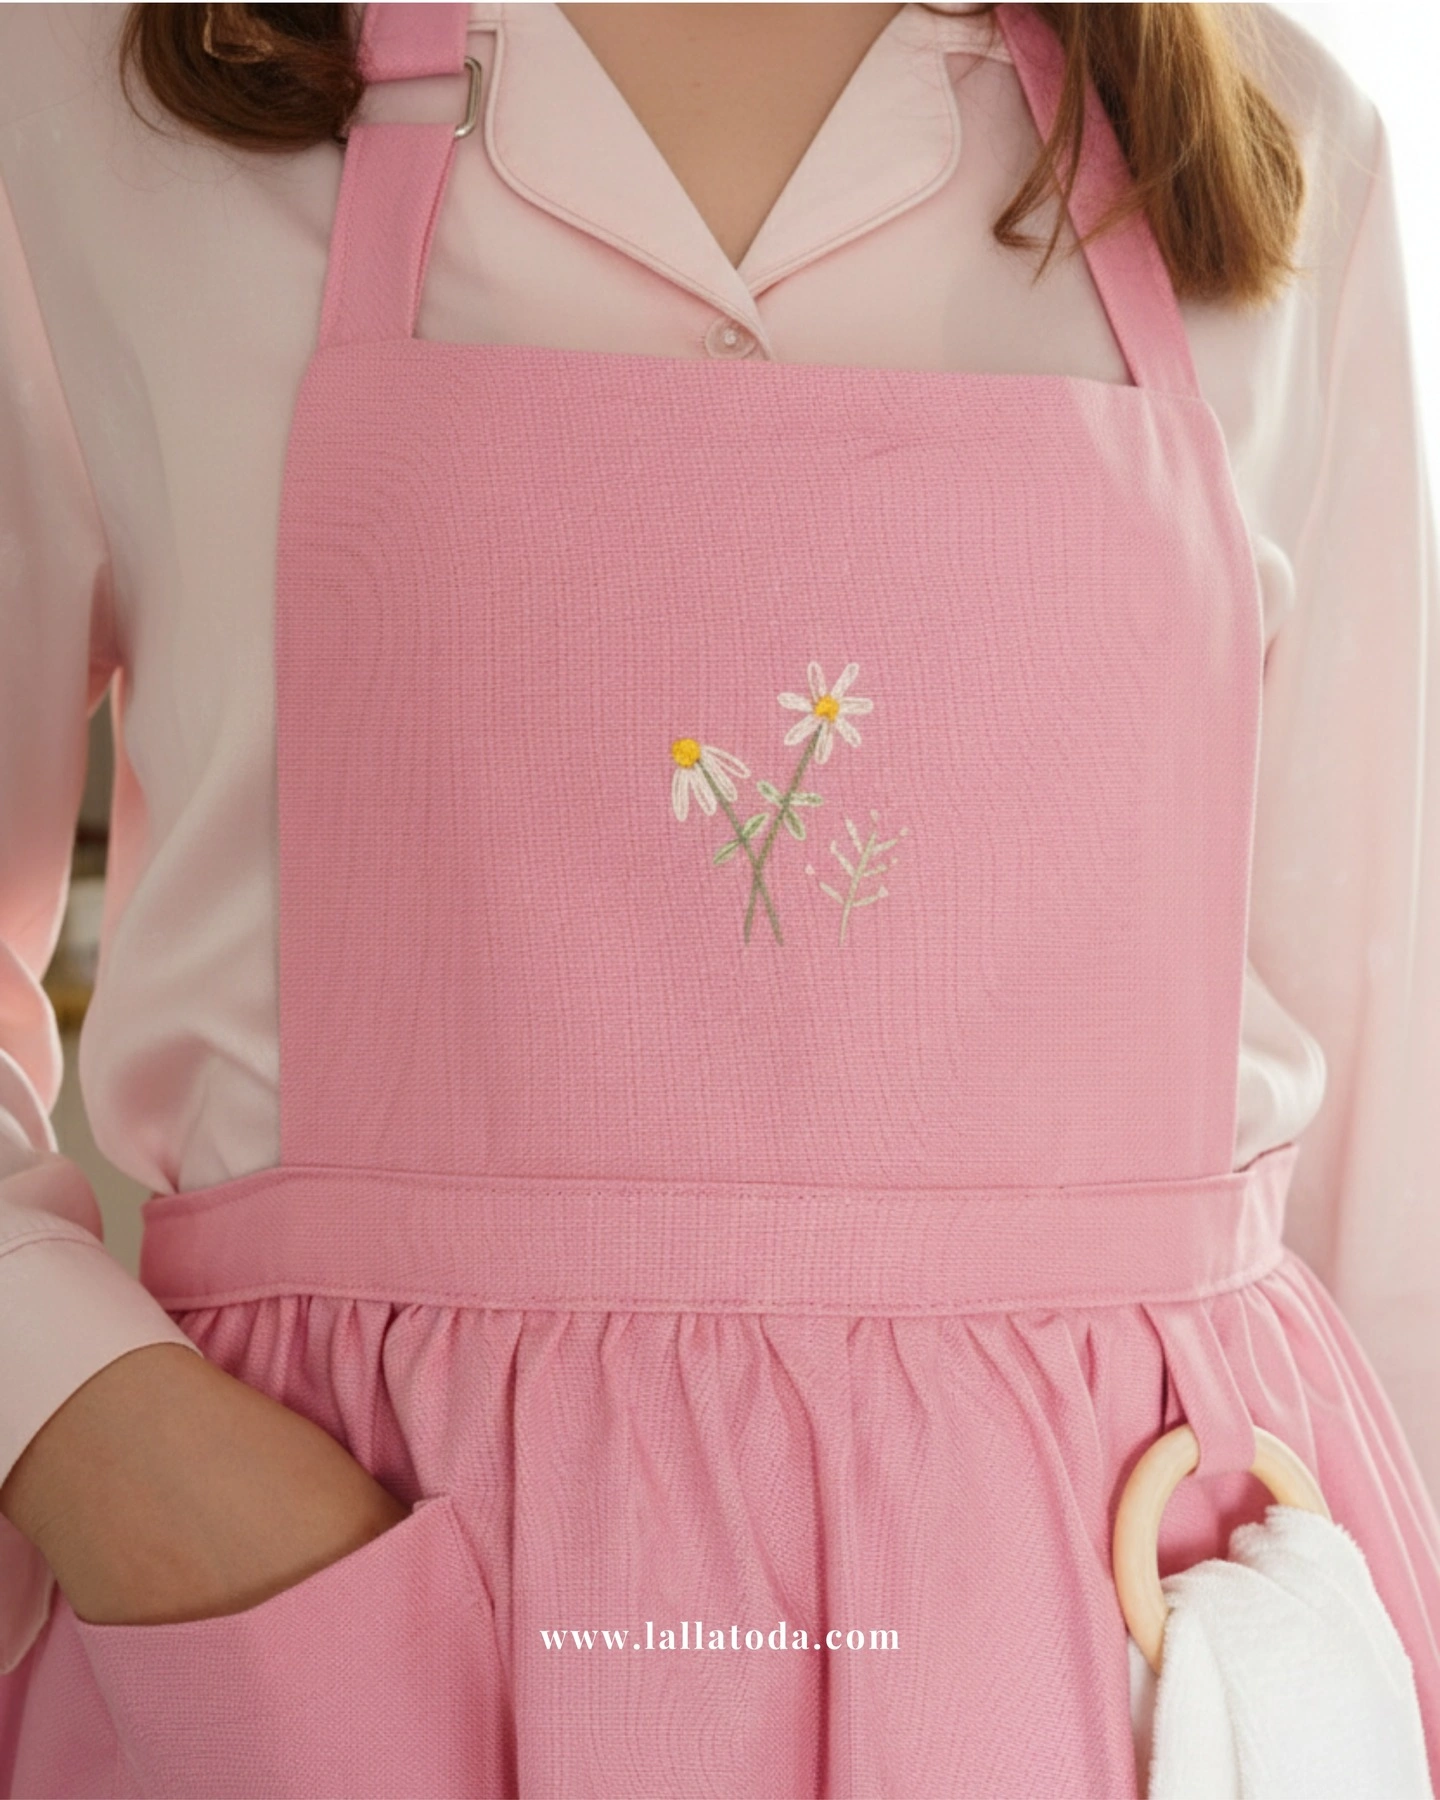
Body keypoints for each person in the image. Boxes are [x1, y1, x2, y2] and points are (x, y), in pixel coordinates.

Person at [0, 3, 1437, 1794]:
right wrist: (81, 1414)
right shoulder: (85, 103)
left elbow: (1390, 1121)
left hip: (1117, 1661)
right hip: (352, 1615)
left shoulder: (1278, 147)